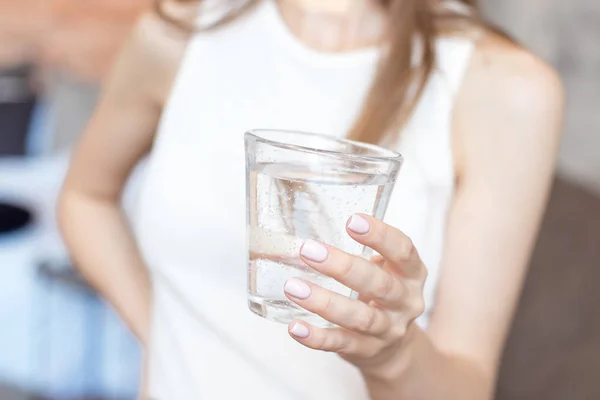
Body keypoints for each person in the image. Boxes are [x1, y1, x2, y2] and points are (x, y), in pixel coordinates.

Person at [57, 0, 564, 398]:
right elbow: (86, 198)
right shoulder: (182, 33)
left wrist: (392, 354)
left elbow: (464, 392)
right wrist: (163, 333)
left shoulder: (505, 88)